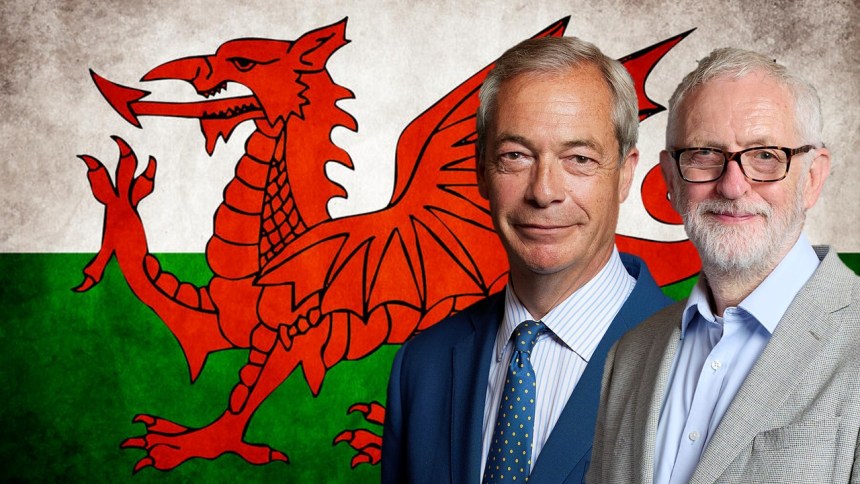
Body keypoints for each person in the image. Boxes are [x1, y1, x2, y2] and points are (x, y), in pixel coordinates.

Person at [381, 35, 671, 483]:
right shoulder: (422, 366)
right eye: (515, 156)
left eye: (578, 158)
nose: (544, 191)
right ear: (481, 170)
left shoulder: (693, 359)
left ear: (625, 174)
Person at [588, 47, 860, 484]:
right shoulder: (629, 356)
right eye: (704, 154)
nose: (733, 186)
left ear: (812, 177)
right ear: (671, 181)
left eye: (766, 156)